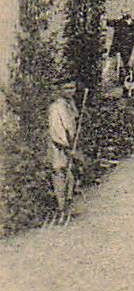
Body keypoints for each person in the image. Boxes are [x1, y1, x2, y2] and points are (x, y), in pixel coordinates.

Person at [47, 77, 79, 224]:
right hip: (59, 146)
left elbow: (73, 124)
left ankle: (68, 205)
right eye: (67, 88)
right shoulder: (55, 108)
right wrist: (67, 147)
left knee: (70, 174)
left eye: (72, 88)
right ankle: (61, 208)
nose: (70, 91)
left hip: (71, 144)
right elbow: (57, 131)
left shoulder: (70, 104)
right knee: (59, 174)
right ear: (60, 90)